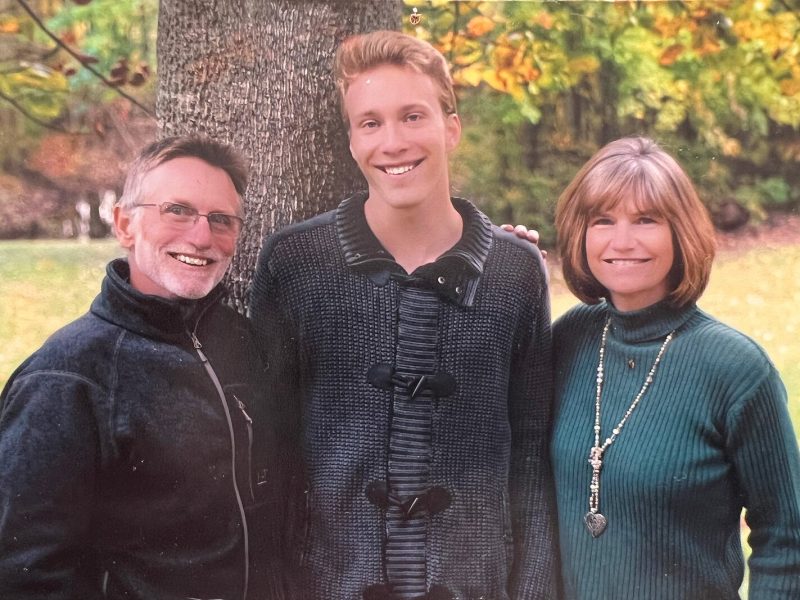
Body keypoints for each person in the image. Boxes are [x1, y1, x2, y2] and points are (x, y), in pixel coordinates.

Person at [250, 30, 559, 600]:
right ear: (351, 141)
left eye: (413, 116)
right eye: (370, 123)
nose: (392, 141)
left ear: (451, 127)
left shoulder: (515, 271)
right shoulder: (294, 263)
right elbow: (266, 455)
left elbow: (532, 459)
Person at [0, 136, 288, 600]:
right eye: (177, 210)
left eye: (221, 219)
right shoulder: (68, 377)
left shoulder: (247, 344)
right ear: (125, 224)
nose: (201, 236)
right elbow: (25, 573)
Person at [551, 136, 800, 598]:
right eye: (603, 221)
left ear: (680, 232)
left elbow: (787, 537)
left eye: (646, 220)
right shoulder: (567, 340)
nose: (621, 242)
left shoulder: (736, 369)